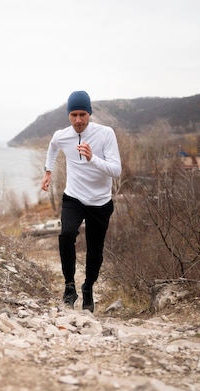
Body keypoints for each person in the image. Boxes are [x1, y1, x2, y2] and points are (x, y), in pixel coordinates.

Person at [41, 90, 122, 311]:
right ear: (68, 114)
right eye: (74, 114)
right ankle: (69, 286)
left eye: (82, 115)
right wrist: (48, 171)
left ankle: (88, 288)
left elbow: (116, 170)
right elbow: (53, 147)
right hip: (74, 197)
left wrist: (92, 158)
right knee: (66, 235)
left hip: (100, 202)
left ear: (89, 114)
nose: (78, 120)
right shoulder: (62, 135)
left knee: (95, 251)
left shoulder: (106, 134)